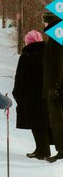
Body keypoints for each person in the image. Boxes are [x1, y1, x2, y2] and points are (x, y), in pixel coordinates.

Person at [12, 30, 50, 160]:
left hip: (31, 95)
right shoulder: (48, 53)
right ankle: (43, 149)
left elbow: (20, 77)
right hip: (46, 93)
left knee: (36, 122)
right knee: (45, 121)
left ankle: (42, 150)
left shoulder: (27, 55)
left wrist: (17, 93)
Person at [42, 11, 63, 162]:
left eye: (44, 21)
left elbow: (58, 64)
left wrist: (55, 86)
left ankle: (61, 150)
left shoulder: (57, 39)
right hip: (56, 86)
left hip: (57, 88)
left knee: (57, 120)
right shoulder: (55, 37)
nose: (43, 24)